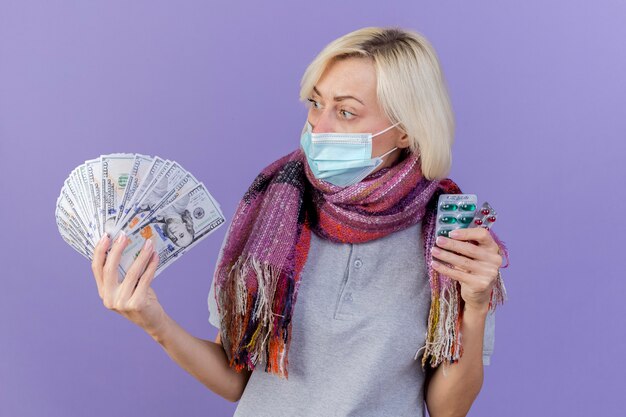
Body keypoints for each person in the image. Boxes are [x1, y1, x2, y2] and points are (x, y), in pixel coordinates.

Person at [90, 26, 508, 417]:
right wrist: (154, 321)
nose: (317, 126)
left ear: (406, 130)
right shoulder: (270, 213)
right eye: (316, 102)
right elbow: (236, 380)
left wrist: (474, 305)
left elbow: (447, 410)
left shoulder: (450, 237)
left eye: (346, 112)